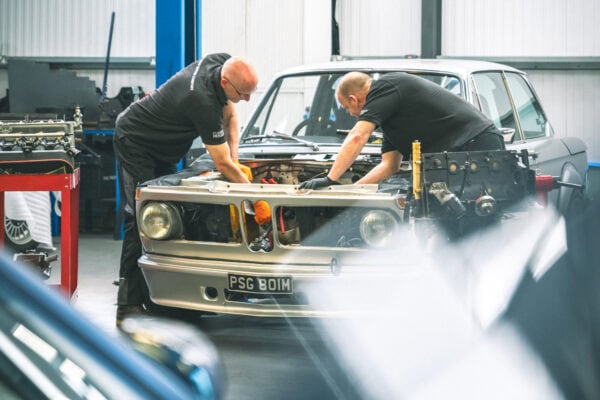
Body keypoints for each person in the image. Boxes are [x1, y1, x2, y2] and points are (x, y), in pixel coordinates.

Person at [113, 53, 258, 326]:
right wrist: (254, 195)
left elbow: (229, 116)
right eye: (244, 93)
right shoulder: (199, 99)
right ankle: (127, 305)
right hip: (135, 141)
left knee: (173, 216)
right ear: (225, 82)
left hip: (164, 148)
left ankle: (168, 300)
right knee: (141, 218)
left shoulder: (220, 62)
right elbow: (221, 162)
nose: (247, 99)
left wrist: (237, 159)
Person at [299, 71, 505, 189]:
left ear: (354, 99)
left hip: (477, 144)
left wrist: (330, 179)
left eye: (347, 108)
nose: (351, 114)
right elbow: (389, 166)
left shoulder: (385, 87)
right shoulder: (390, 114)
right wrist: (353, 192)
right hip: (460, 154)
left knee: (475, 221)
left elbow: (357, 136)